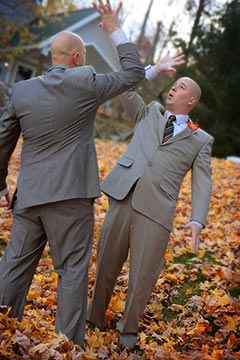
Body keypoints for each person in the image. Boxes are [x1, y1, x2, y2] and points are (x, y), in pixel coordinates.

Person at [0, 0, 145, 348]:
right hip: (71, 197)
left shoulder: (21, 91)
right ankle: (66, 347)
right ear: (78, 58)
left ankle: (3, 332)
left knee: (13, 267)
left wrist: (1, 184)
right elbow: (134, 74)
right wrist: (114, 31)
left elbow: (2, 140)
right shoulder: (86, 81)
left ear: (54, 56)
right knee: (71, 271)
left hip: (30, 196)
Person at [87, 53, 214, 350]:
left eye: (180, 86)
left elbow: (203, 180)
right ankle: (92, 320)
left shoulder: (201, 140)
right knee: (106, 265)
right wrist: (153, 71)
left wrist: (197, 220)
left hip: (157, 210)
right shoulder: (149, 113)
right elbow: (125, 88)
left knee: (142, 277)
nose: (173, 88)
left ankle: (127, 335)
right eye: (173, 84)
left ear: (191, 100)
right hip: (124, 196)